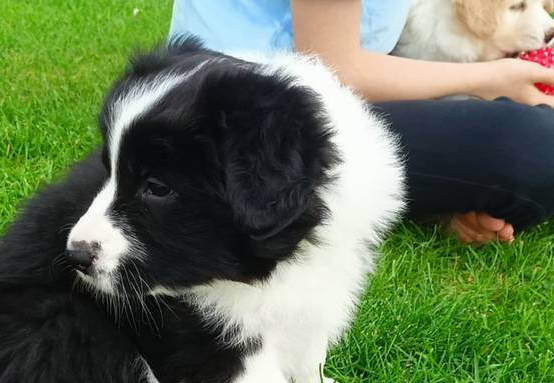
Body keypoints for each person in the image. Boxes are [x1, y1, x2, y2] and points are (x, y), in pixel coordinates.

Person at [170, 0, 554, 245]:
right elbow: (333, 67)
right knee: (536, 146)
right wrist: (490, 78)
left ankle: (440, 194)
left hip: (310, 96)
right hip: (237, 119)